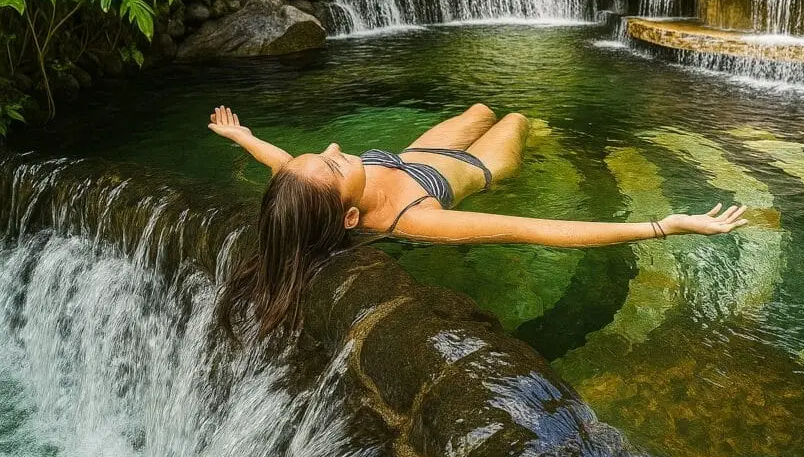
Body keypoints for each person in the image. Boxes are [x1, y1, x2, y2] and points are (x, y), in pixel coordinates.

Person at [209, 104, 747, 337]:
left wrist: (245, 139)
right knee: (514, 120)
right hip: (471, 169)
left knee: (480, 110)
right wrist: (660, 226)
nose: (332, 146)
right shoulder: (413, 221)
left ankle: (500, 121)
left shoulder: (313, 193)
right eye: (333, 161)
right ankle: (546, 137)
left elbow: (285, 167)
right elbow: (540, 231)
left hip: (413, 154)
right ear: (351, 216)